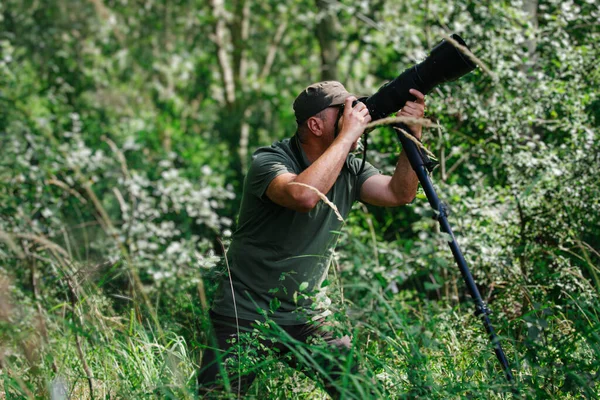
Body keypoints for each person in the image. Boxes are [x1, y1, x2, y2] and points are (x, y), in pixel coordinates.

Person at [198, 81, 425, 398]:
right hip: (244, 314)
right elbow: (304, 195)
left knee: (361, 393)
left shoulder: (351, 168)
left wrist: (410, 136)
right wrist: (347, 137)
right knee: (218, 396)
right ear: (315, 125)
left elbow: (400, 193)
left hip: (309, 316)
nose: (354, 117)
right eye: (343, 112)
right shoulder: (270, 162)